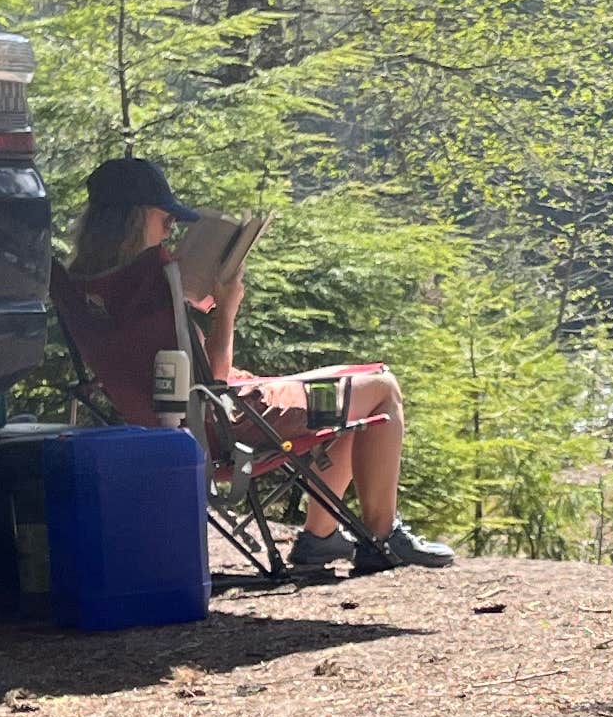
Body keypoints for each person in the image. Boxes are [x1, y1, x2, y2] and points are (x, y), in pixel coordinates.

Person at [65, 155, 455, 579]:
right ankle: (381, 537)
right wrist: (227, 309)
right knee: (381, 387)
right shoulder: (153, 279)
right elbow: (213, 380)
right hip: (231, 416)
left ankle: (320, 538)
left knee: (347, 387)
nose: (171, 229)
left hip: (184, 416)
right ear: (136, 218)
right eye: (165, 218)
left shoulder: (88, 287)